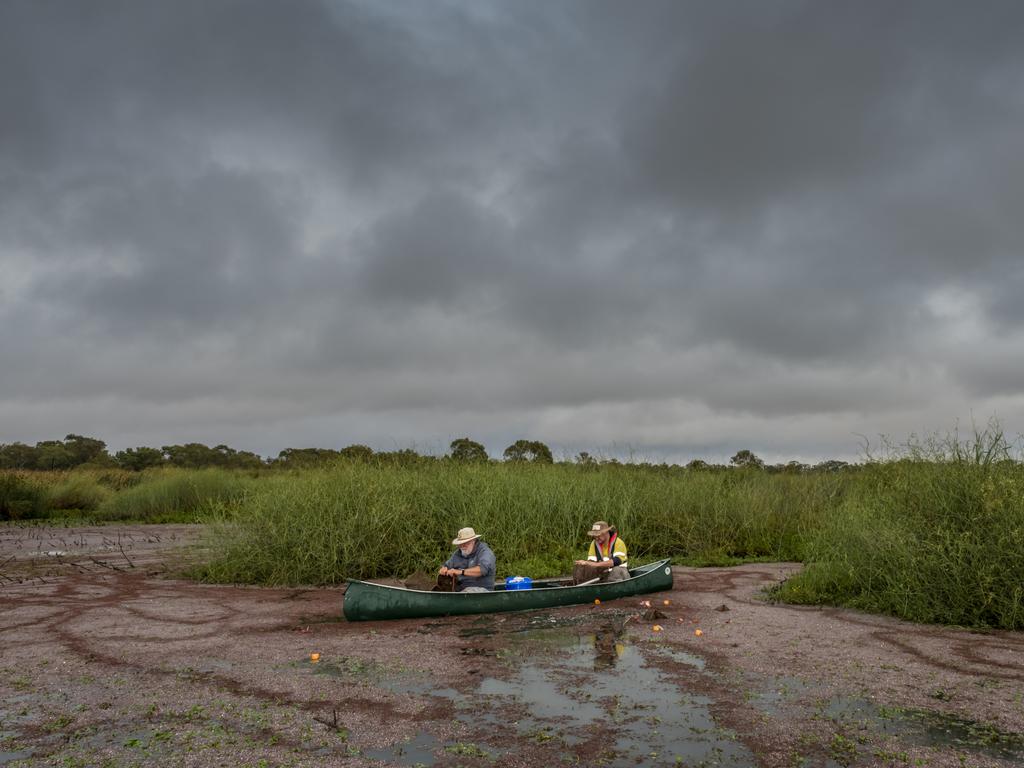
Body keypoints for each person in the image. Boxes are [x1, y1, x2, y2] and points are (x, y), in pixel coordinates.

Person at [439, 527, 496, 592]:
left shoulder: (485, 552)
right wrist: (444, 569)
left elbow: (482, 570)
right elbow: (446, 565)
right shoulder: (458, 553)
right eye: (460, 544)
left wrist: (460, 571)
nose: (462, 546)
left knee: (467, 591)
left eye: (465, 543)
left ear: (473, 541)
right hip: (460, 590)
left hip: (482, 590)